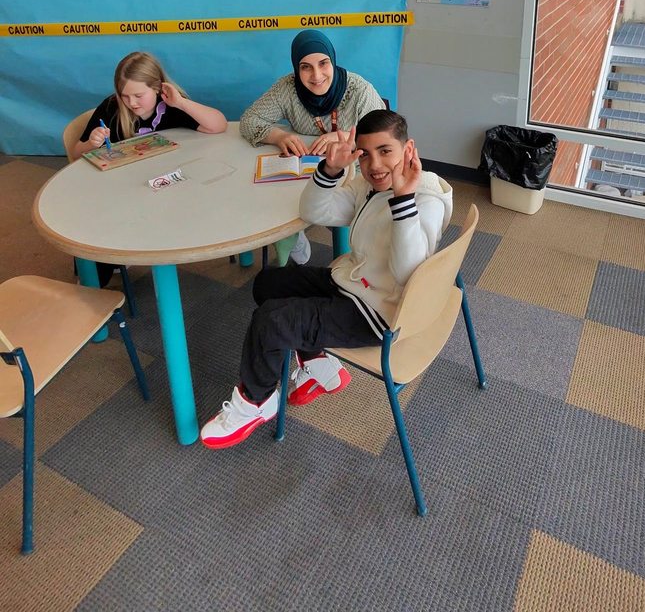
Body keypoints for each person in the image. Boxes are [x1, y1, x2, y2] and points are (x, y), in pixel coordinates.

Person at [201, 109, 452, 449]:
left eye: (386, 151)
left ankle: (256, 402)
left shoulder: (425, 199)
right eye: (365, 154)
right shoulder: (368, 184)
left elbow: (407, 274)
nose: (375, 165)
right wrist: (332, 169)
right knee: (268, 284)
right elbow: (313, 212)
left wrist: (402, 199)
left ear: (409, 150)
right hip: (354, 284)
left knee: (272, 321)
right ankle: (321, 365)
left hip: (381, 313)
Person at [72, 50, 227, 284]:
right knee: (93, 227)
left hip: (168, 191)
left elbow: (218, 125)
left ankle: (141, 247)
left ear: (157, 87)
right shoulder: (112, 108)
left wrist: (181, 103)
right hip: (120, 193)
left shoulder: (172, 105)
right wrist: (89, 144)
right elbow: (76, 155)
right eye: (124, 96)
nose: (131, 103)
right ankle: (97, 277)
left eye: (138, 95)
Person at [239, 29, 385, 264]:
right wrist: (278, 136)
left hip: (354, 173)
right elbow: (249, 121)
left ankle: (345, 254)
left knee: (351, 224)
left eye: (323, 63)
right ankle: (292, 238)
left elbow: (383, 135)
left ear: (333, 60)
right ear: (296, 68)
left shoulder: (359, 90)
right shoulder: (287, 88)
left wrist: (344, 136)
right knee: (275, 200)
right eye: (305, 66)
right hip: (307, 172)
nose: (316, 75)